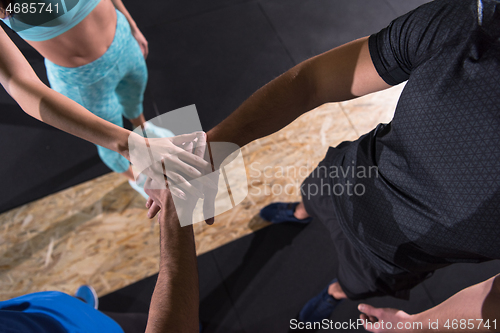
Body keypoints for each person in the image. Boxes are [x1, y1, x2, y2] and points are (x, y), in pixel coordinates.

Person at [201, 0, 500, 329]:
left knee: (350, 285)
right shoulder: (470, 23)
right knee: (310, 195)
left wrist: (416, 324)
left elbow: (495, 295)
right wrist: (215, 145)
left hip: (390, 258)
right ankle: (300, 213)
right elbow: (312, 81)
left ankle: (334, 293)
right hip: (346, 175)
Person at [0, 0, 175, 198]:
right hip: (81, 81)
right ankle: (136, 177)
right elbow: (18, 83)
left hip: (124, 42)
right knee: (108, 140)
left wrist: (131, 24)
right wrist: (126, 145)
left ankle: (143, 128)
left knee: (134, 98)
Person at [0, 176, 201, 333]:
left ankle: (80, 306)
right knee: (160, 319)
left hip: (51, 311)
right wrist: (174, 212)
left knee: (108, 317)